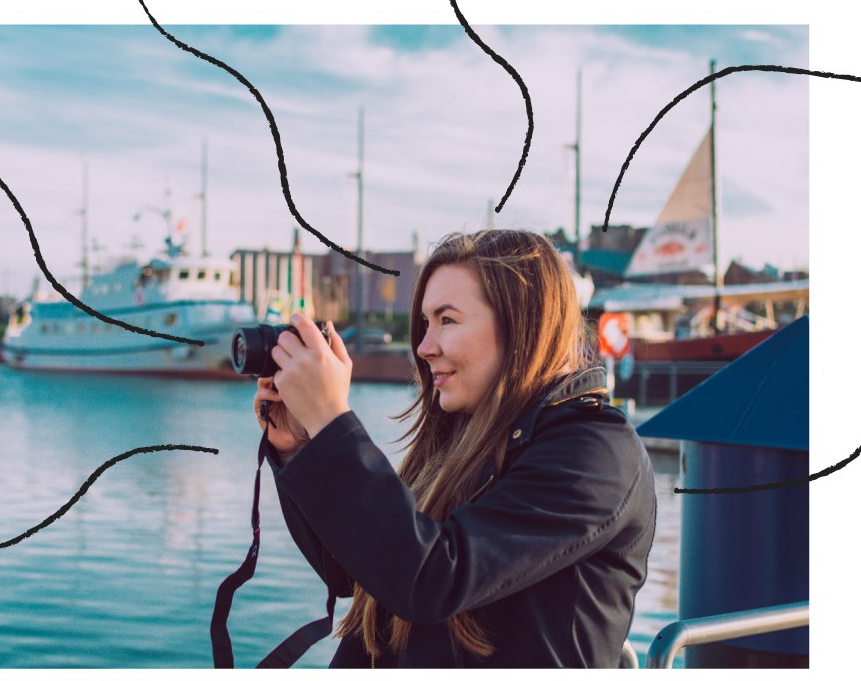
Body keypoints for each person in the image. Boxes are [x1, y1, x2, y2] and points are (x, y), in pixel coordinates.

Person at [252, 228, 656, 668]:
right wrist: (301, 447)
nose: (424, 347)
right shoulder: (464, 434)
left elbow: (432, 579)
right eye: (425, 323)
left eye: (447, 320)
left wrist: (332, 421)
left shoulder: (596, 451)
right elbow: (355, 572)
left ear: (521, 323)